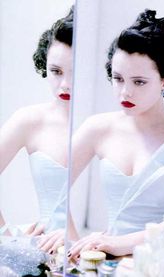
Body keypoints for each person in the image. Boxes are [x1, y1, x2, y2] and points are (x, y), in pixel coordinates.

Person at [67, 9, 164, 260]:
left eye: (139, 82)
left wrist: (118, 244)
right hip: (108, 259)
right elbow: (55, 188)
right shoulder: (98, 128)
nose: (125, 92)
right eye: (117, 78)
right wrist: (72, 242)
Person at [0, 6, 78, 251]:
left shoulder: (117, 121)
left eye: (74, 73)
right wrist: (6, 233)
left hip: (105, 251)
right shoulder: (30, 120)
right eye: (56, 71)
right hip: (48, 251)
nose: (64, 84)